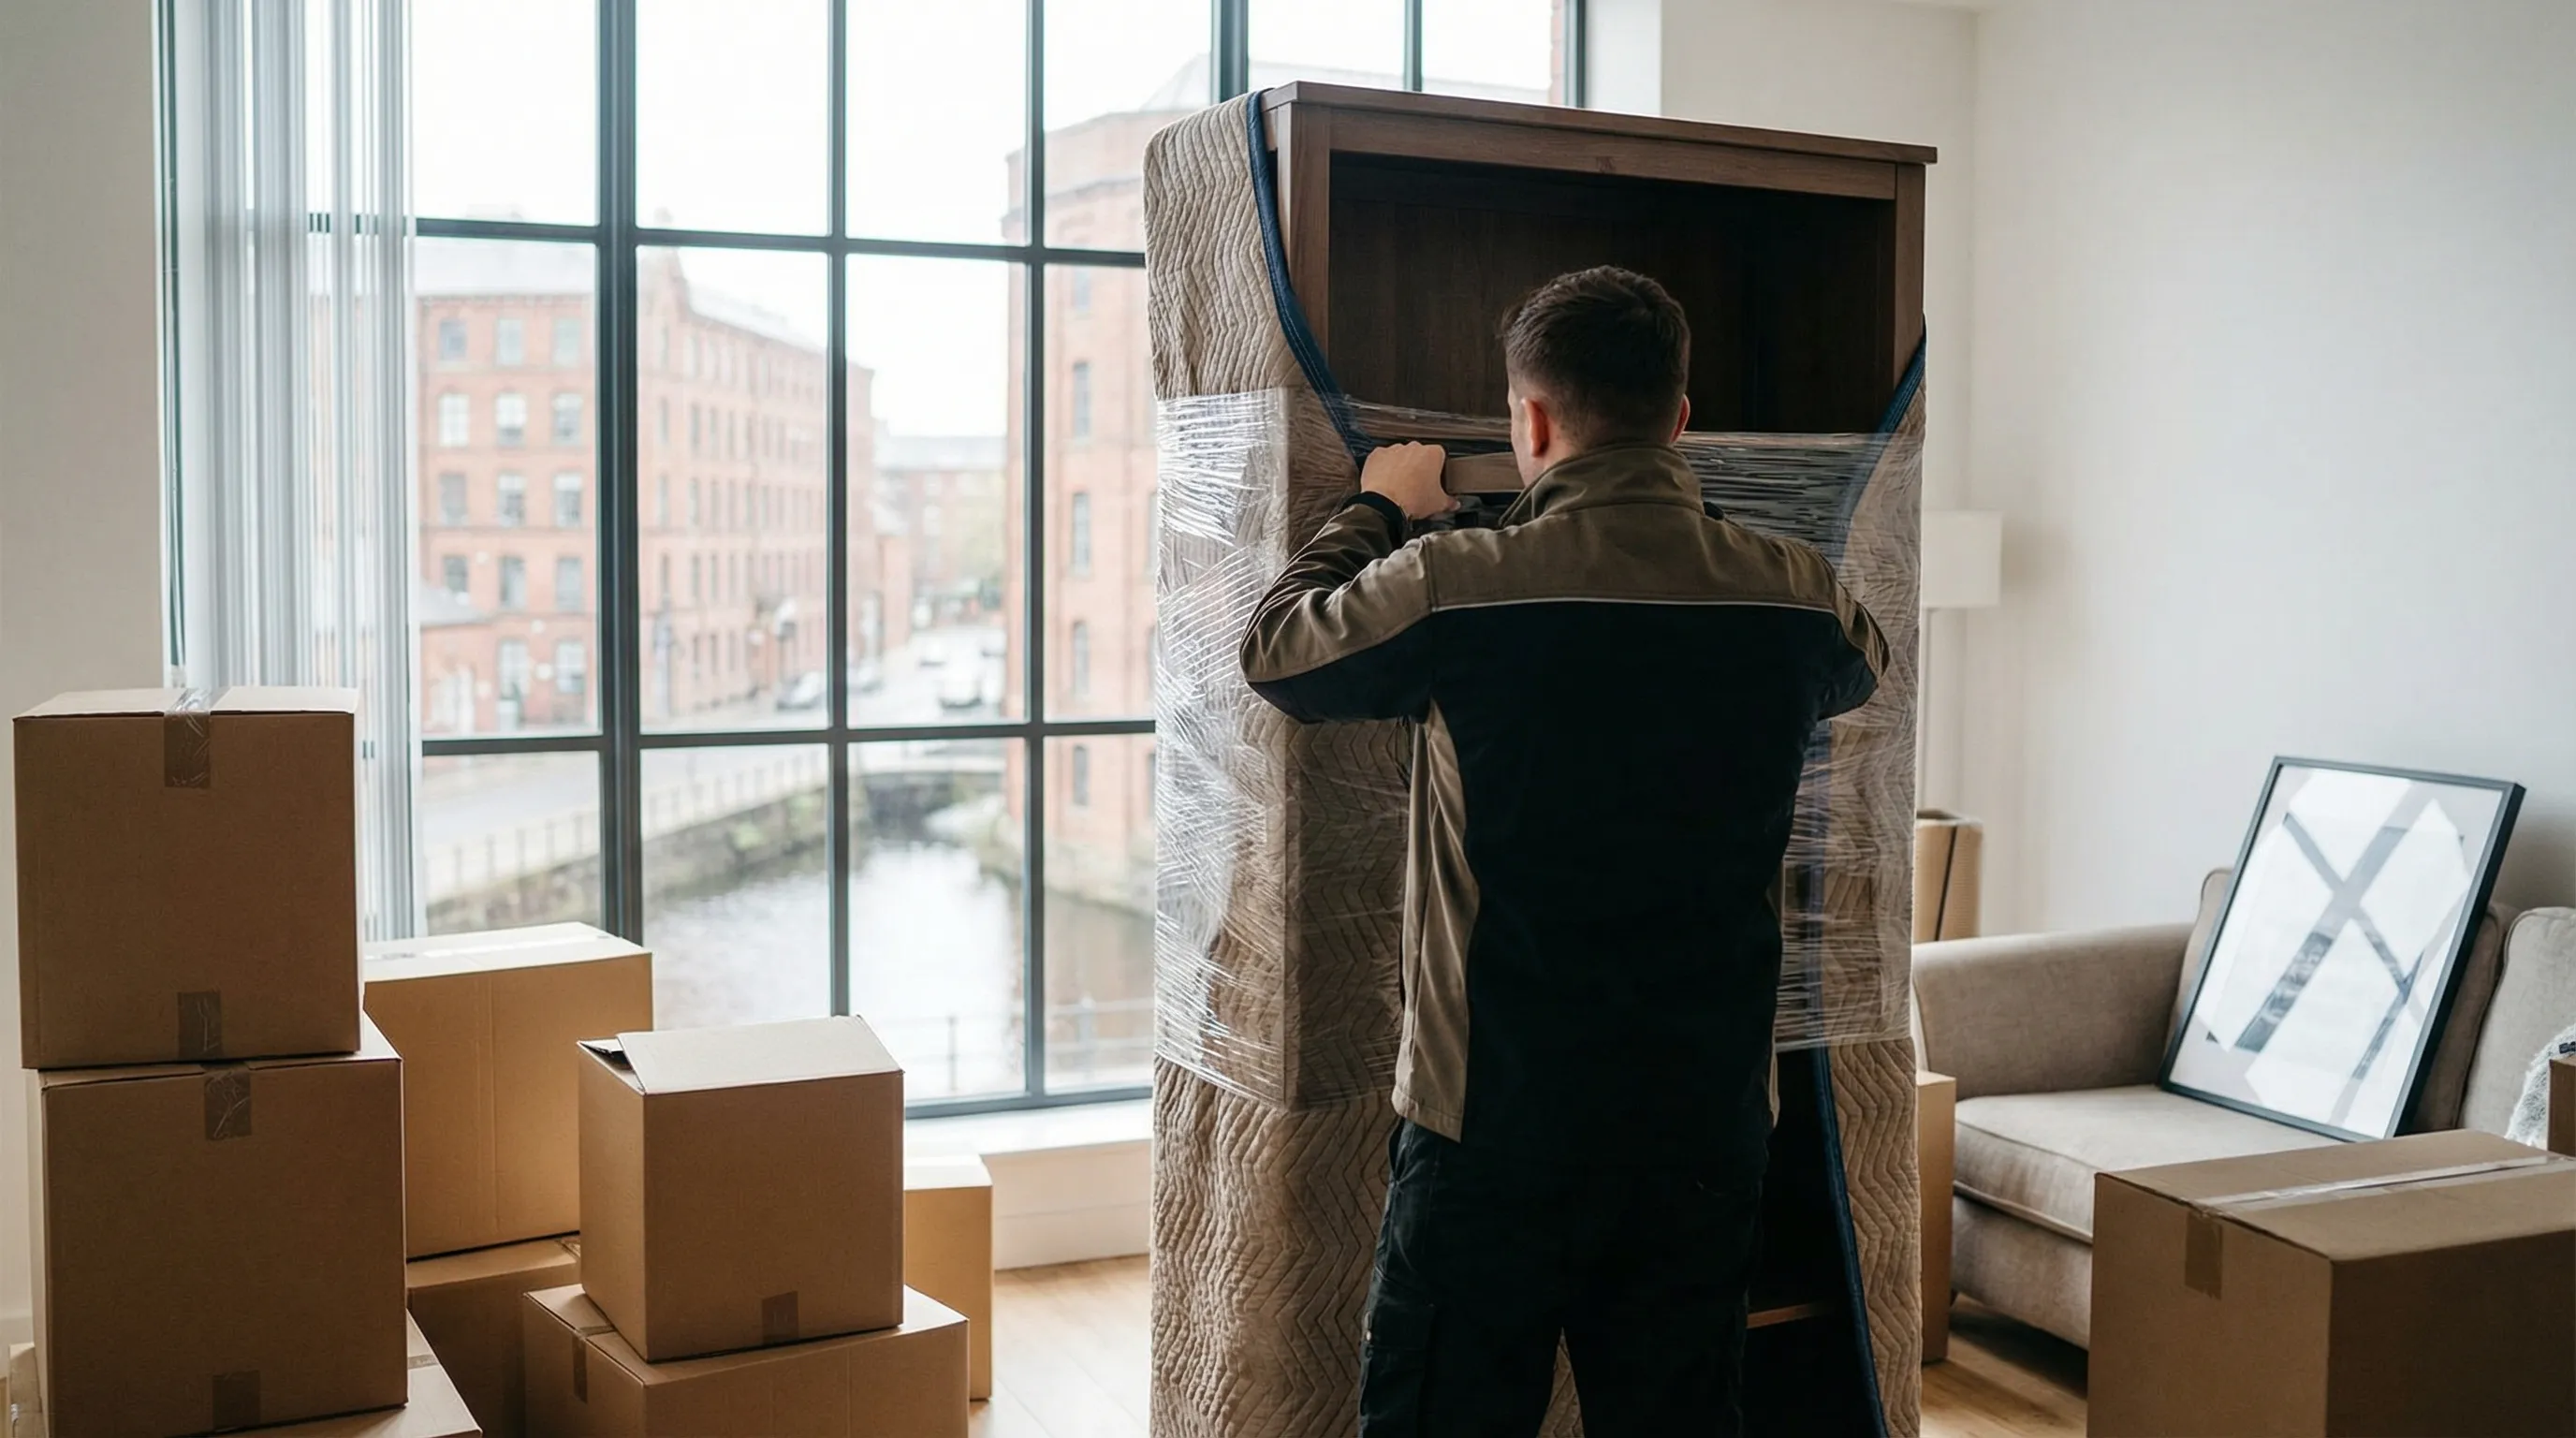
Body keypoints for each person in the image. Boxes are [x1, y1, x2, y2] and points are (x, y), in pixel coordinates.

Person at [1237, 266, 1889, 1436]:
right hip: (1704, 1121)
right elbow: (1858, 663)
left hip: (1497, 1123)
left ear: (1530, 420)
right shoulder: (1792, 596)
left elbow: (1279, 654)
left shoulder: (1454, 584)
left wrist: (1380, 506)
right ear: (1678, 419)